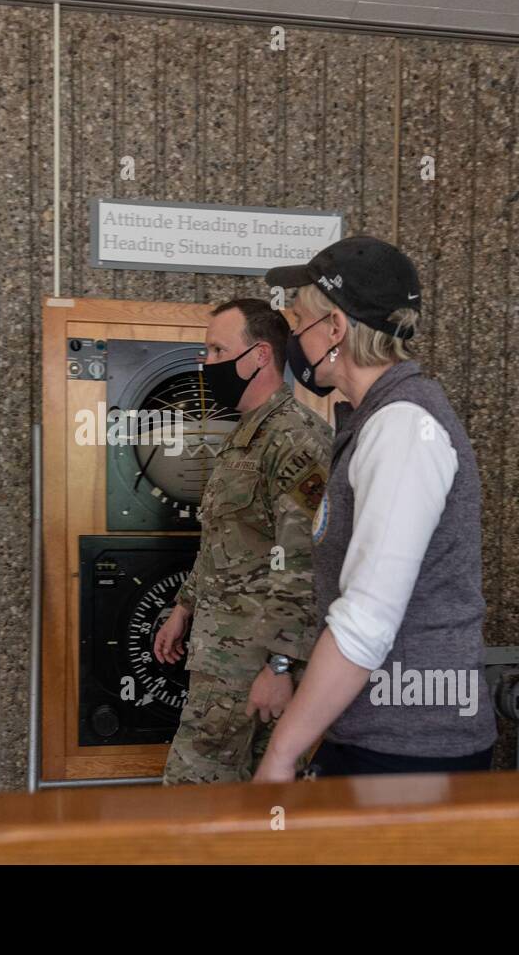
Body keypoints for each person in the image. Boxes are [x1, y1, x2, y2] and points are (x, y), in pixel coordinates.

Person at [253, 236, 498, 781]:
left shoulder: (403, 427)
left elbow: (366, 622)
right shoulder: (376, 420)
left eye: (298, 320)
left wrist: (281, 752)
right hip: (376, 737)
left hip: (411, 752)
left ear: (334, 329)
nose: (292, 334)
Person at [154, 298, 332, 784]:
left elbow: (304, 562)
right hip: (222, 659)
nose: (205, 363)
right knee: (238, 802)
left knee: (192, 795)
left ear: (258, 356)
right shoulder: (247, 435)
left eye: (216, 349)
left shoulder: (295, 440)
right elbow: (227, 540)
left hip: (255, 665)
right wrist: (184, 607)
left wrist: (279, 666)